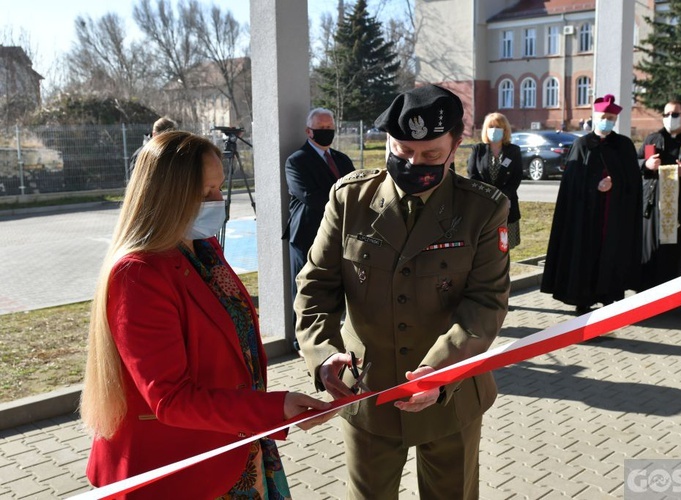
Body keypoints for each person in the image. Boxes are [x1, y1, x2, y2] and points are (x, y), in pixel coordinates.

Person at [81, 131, 333, 499]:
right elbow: (171, 398)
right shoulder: (138, 274)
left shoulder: (202, 248)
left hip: (234, 444)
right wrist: (275, 406)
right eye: (204, 193)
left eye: (219, 188)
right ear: (166, 195)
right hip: (186, 468)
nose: (219, 202)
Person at [295, 85, 510, 499]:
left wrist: (440, 371)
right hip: (366, 391)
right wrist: (322, 359)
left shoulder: (482, 210)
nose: (415, 164)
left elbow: (486, 301)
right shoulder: (349, 199)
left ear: (455, 146)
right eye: (403, 151)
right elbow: (315, 286)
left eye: (430, 155)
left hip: (452, 396)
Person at [541, 94, 642, 315]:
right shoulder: (582, 144)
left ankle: (610, 297)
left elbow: (633, 180)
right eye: (603, 116)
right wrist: (594, 185)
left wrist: (615, 183)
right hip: (586, 214)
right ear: (595, 117)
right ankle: (583, 299)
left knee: (612, 253)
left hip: (614, 213)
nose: (607, 120)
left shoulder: (623, 145)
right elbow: (572, 182)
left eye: (611, 117)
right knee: (585, 253)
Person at [282, 108, 354, 351]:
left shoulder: (342, 160)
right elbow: (309, 196)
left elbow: (356, 190)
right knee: (305, 288)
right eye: (321, 128)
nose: (327, 132)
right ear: (308, 131)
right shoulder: (296, 161)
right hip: (306, 235)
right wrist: (342, 204)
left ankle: (331, 337)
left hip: (340, 235)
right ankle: (301, 340)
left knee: (335, 288)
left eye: (330, 127)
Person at [637, 100, 681, 289]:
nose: (669, 118)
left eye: (674, 114)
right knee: (652, 251)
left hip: (680, 208)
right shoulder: (653, 139)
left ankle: (673, 296)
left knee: (675, 254)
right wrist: (646, 165)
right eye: (666, 114)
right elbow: (637, 162)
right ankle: (646, 292)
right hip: (653, 206)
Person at [467, 111, 523, 249]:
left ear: (505, 130)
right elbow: (472, 176)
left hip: (507, 206)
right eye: (491, 127)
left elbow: (516, 178)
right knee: (486, 246)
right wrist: (488, 195)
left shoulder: (514, 151)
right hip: (483, 205)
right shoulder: (478, 149)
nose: (494, 130)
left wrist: (502, 196)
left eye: (498, 127)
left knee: (505, 246)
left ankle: (506, 271)